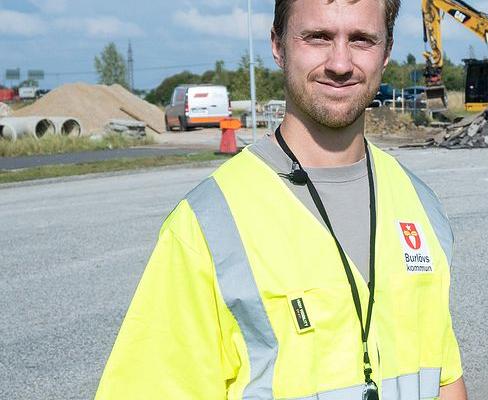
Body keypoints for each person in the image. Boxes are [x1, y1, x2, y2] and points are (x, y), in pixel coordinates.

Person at [95, 0, 467, 398]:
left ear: (387, 50)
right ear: (277, 45)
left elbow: (443, 379)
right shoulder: (207, 226)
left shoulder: (420, 205)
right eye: (318, 37)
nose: (340, 63)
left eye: (361, 39)